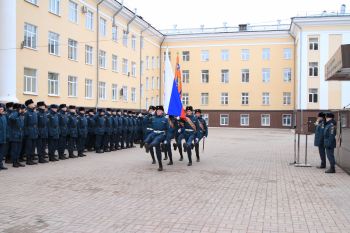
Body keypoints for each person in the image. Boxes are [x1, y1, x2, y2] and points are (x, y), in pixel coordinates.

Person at [144, 106, 169, 171]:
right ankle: (160, 166)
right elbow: (145, 121)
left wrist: (166, 139)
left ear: (162, 112)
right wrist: (149, 114)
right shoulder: (153, 118)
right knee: (157, 151)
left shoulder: (165, 119)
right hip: (154, 133)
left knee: (155, 141)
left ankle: (149, 147)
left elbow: (168, 130)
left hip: (161, 134)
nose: (158, 112)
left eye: (160, 111)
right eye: (157, 111)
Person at [24, 99, 38, 165]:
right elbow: (24, 124)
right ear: (29, 105)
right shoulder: (26, 113)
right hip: (29, 132)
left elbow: (36, 123)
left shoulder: (35, 113)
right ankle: (28, 160)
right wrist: (27, 133)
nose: (34, 105)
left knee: (33, 146)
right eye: (32, 104)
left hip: (34, 131)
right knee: (29, 147)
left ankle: (31, 159)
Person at [0, 103, 8, 170]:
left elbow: (6, 127)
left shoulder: (3, 116)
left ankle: (1, 165)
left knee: (2, 153)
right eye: (0, 109)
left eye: (2, 109)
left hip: (3, 138)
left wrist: (7, 136)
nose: (1, 110)